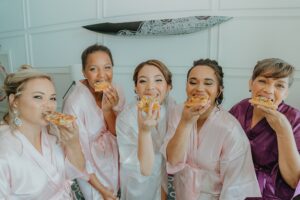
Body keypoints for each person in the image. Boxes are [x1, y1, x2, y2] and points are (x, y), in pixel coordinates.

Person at [163, 59, 261, 200]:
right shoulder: (178, 112)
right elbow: (173, 160)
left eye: (208, 83)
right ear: (186, 86)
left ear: (219, 90)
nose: (199, 88)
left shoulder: (229, 128)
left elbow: (235, 186)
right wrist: (184, 123)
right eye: (193, 82)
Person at [0, 66, 86, 199]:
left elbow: (77, 171)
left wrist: (73, 142)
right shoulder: (5, 151)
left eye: (52, 98)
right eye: (38, 97)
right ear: (14, 101)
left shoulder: (53, 132)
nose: (49, 106)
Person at [230, 58, 300, 199]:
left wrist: (283, 130)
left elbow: (293, 180)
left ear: (286, 93)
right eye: (262, 81)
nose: (268, 90)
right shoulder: (240, 108)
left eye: (279, 85)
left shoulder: (295, 119)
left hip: (270, 193)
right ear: (251, 83)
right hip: (233, 186)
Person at [63, 44, 125, 200]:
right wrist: (102, 190)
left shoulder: (116, 91)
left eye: (107, 67)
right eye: (93, 69)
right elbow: (77, 154)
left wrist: (108, 111)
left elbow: (119, 134)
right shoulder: (74, 103)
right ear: (83, 72)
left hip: (114, 159)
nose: (102, 75)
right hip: (89, 169)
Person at [116, 59, 175, 200]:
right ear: (135, 87)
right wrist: (145, 131)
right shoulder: (126, 119)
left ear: (168, 87)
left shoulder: (171, 107)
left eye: (158, 80)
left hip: (161, 174)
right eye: (143, 81)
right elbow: (144, 168)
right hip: (138, 178)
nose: (150, 87)